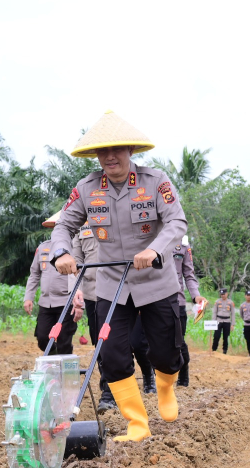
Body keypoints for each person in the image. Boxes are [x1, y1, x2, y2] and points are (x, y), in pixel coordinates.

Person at [52, 110, 186, 442]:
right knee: (111, 354)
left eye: (117, 149)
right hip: (112, 283)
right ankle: (137, 422)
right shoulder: (86, 188)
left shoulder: (155, 181)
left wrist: (154, 249)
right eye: (103, 151)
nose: (110, 157)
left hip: (156, 281)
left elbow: (176, 222)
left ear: (131, 150)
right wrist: (62, 252)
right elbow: (63, 225)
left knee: (166, 351)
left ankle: (166, 387)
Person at [24, 215, 82, 355]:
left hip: (66, 303)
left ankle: (64, 366)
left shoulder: (74, 248)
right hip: (46, 303)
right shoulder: (42, 248)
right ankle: (54, 358)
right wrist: (28, 298)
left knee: (64, 341)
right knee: (42, 338)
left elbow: (80, 277)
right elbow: (34, 274)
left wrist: (80, 305)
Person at [172, 237, 205, 384]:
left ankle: (183, 371)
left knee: (178, 341)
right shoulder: (151, 236)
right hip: (155, 300)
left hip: (177, 300)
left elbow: (189, 275)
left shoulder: (183, 244)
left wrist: (196, 295)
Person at [211, 289, 235, 354]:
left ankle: (224, 351)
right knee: (216, 336)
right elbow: (214, 312)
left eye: (224, 294)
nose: (223, 295)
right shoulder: (217, 302)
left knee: (226, 337)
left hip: (227, 321)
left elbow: (233, 313)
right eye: (221, 294)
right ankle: (214, 350)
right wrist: (213, 322)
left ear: (227, 294)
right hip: (218, 320)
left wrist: (232, 324)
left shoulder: (230, 302)